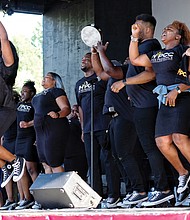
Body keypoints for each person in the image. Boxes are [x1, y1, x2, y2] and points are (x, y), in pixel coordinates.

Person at [101, 14, 174, 207]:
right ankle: (148, 190)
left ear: (148, 29)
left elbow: (150, 74)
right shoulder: (141, 47)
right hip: (139, 105)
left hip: (147, 104)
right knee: (145, 149)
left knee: (151, 148)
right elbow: (126, 64)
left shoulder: (151, 46)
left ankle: (163, 189)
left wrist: (125, 82)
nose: (134, 27)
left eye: (138, 25)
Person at [128, 19, 190, 206]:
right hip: (165, 100)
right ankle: (183, 174)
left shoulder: (182, 51)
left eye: (169, 30)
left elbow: (189, 74)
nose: (164, 31)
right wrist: (134, 37)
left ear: (178, 37)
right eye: (164, 29)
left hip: (182, 95)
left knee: (179, 137)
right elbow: (135, 59)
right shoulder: (156, 54)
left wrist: (177, 90)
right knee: (161, 141)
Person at [91, 49, 149, 208]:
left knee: (125, 154)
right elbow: (100, 72)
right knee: (117, 156)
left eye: (128, 59)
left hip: (126, 118)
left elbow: (109, 69)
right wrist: (95, 53)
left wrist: (102, 52)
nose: (126, 60)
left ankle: (139, 191)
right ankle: (132, 191)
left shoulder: (127, 72)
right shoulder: (114, 76)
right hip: (114, 119)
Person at [75, 52, 121, 207]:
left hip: (103, 125)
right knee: (92, 163)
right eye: (83, 59)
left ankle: (114, 195)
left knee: (109, 160)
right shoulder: (79, 84)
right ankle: (96, 197)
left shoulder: (101, 79)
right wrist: (82, 129)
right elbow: (80, 108)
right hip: (88, 129)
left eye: (87, 58)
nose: (84, 60)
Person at [0, 21, 25, 189]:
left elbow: (4, 38)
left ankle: (16, 161)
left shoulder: (7, 69)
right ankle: (4, 167)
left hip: (5, 108)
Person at [32, 72, 71, 174]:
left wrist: (57, 114)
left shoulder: (56, 91)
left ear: (54, 81)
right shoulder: (37, 96)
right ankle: (49, 189)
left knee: (54, 161)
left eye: (47, 77)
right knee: (45, 163)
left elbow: (66, 109)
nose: (44, 78)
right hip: (40, 133)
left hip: (53, 128)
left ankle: (59, 188)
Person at [14, 80, 40, 210]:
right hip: (19, 139)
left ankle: (39, 199)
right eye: (22, 91)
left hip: (30, 138)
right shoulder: (18, 104)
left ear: (32, 93)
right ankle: (24, 198)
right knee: (19, 170)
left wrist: (28, 124)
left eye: (25, 91)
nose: (23, 93)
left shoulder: (35, 104)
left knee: (31, 169)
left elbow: (40, 118)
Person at [0, 91, 21, 210]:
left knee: (20, 168)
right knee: (6, 171)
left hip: (17, 140)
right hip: (6, 139)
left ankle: (24, 198)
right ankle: (10, 199)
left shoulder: (15, 109)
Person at [64, 104, 88, 181]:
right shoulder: (67, 122)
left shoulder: (82, 123)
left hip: (80, 153)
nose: (74, 113)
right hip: (68, 154)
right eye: (72, 111)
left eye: (76, 111)